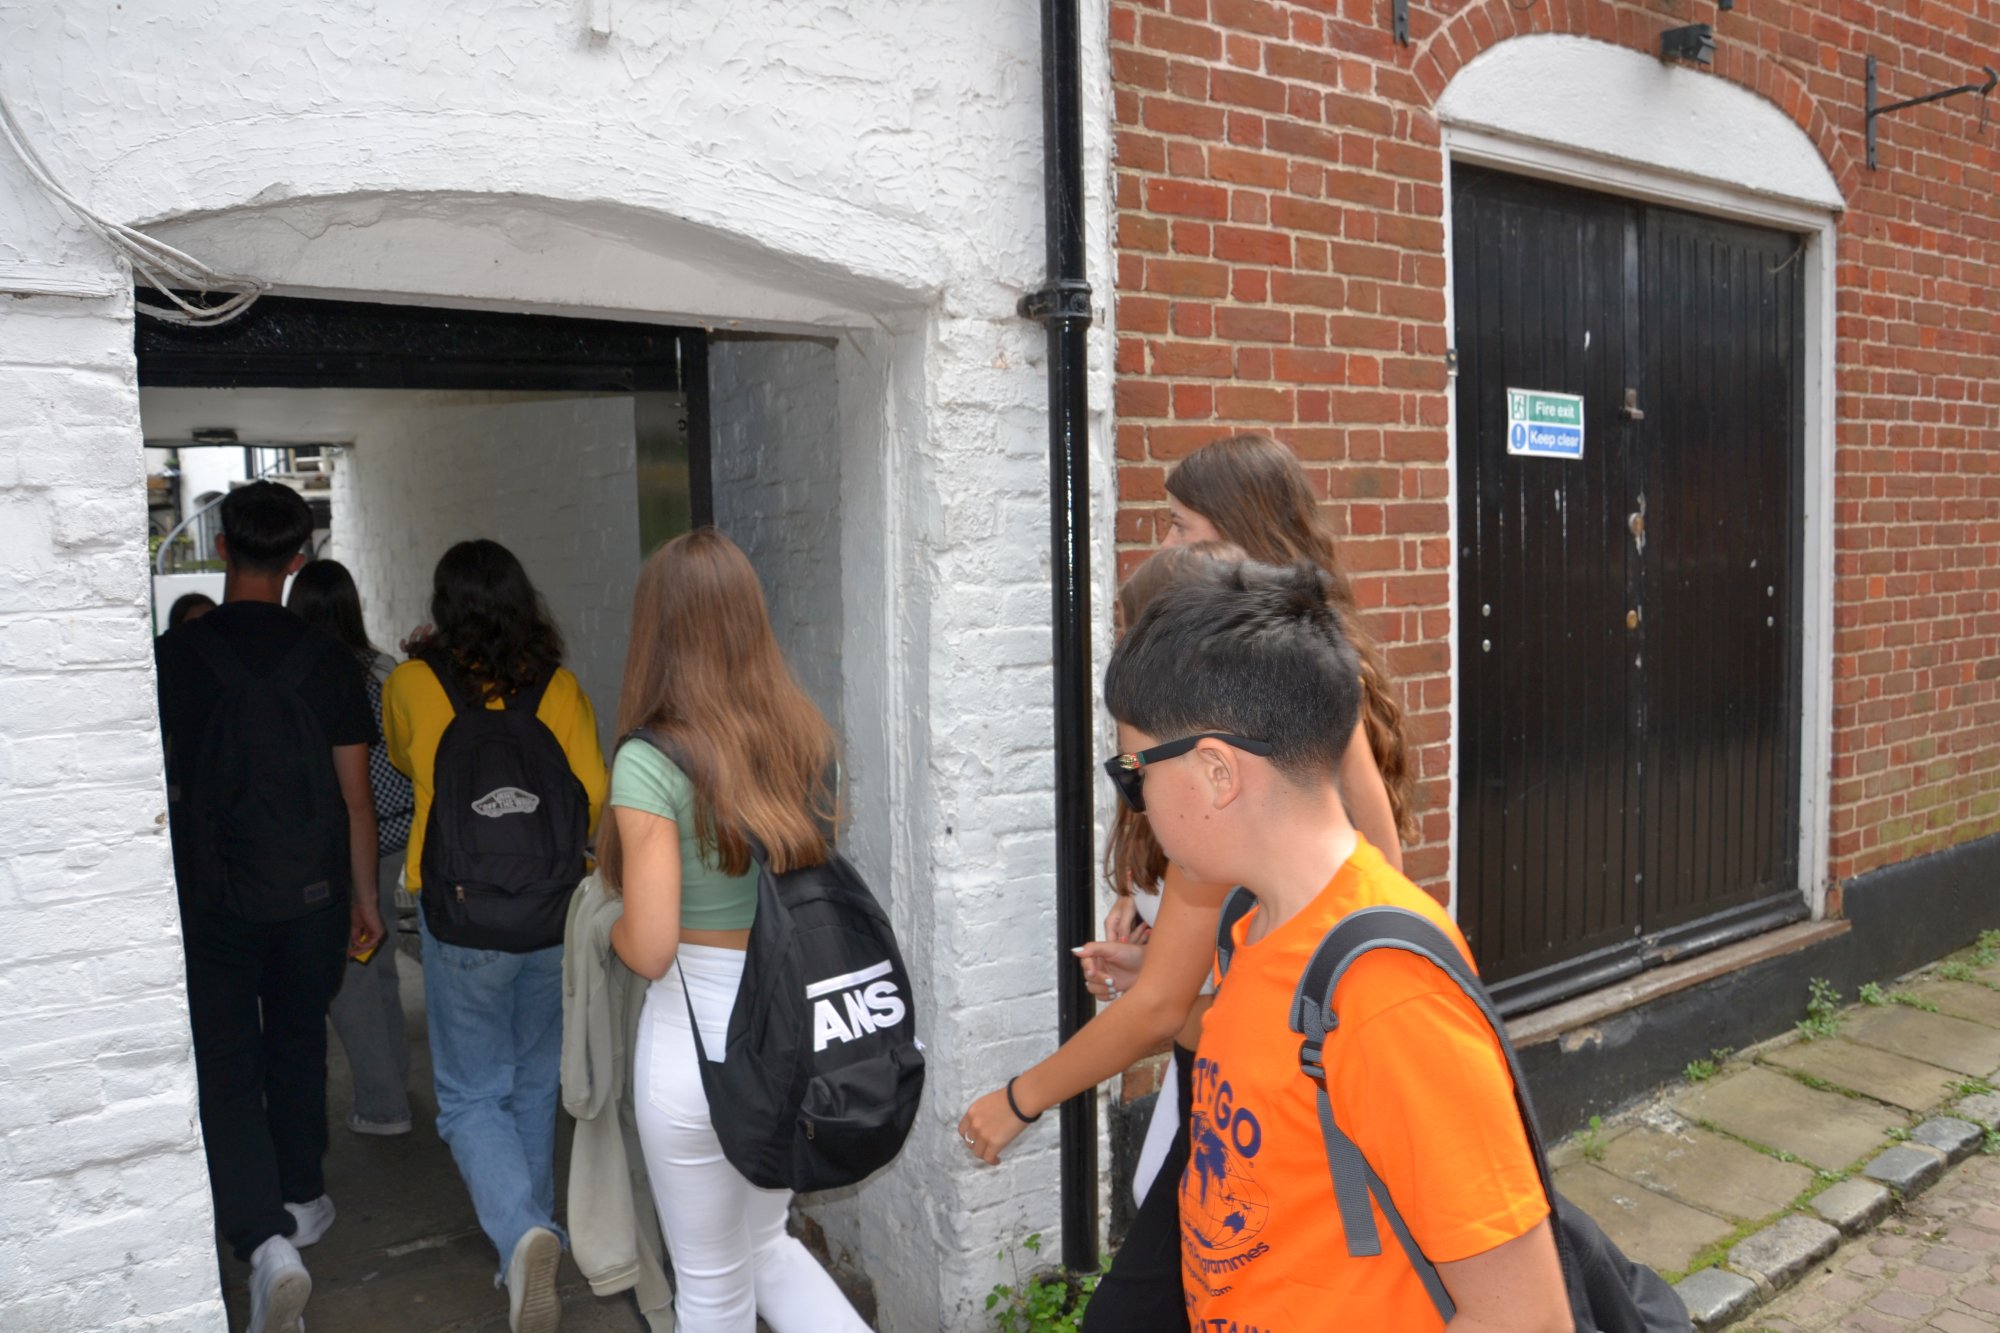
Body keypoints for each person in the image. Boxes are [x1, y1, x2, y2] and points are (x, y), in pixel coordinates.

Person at [1107, 560, 1569, 1331]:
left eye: (1134, 771)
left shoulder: (1384, 989)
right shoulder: (1255, 922)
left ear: (1217, 771)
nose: (1137, 799)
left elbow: (1525, 1317)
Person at [599, 529, 870, 1333]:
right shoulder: (804, 735)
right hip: (790, 1031)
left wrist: (607, 926)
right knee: (768, 1249)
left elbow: (651, 947)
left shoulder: (650, 760)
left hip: (696, 1039)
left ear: (655, 629)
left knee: (713, 1291)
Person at [155, 482, 384, 1333]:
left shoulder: (175, 656)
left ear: (221, 549)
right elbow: (356, 798)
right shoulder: (327, 660)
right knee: (296, 1041)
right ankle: (302, 1195)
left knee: (225, 1062)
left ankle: (262, 1240)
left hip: (210, 893)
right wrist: (364, 897)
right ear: (298, 558)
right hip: (311, 894)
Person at [382, 540, 607, 1333]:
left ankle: (521, 1236)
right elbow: (593, 791)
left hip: (460, 912)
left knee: (472, 1094)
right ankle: (530, 1237)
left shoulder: (412, 682)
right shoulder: (559, 687)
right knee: (535, 1078)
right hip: (548, 913)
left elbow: (404, 755)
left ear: (443, 606)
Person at [1161, 431, 1416, 877]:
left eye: (1180, 525)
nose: (1166, 544)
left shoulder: (1299, 662)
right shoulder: (1219, 644)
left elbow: (1379, 849)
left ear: (1236, 531)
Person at [287, 559, 418, 1136]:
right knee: (378, 964)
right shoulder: (385, 669)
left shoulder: (309, 675)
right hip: (397, 833)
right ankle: (395, 1083)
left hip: (347, 838)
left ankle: (383, 1106)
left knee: (350, 975)